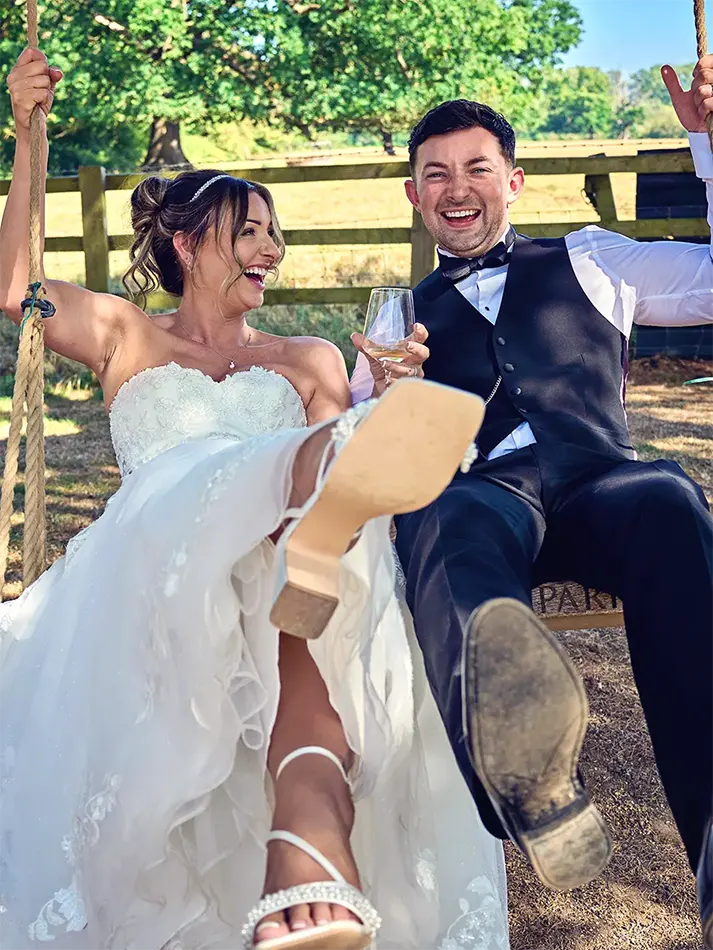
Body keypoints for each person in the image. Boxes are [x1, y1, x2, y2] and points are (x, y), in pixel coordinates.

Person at [0, 48, 511, 950]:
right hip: (161, 540)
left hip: (291, 559)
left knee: (312, 549)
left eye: (275, 234)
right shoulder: (124, 334)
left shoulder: (307, 359)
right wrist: (28, 137)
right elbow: (15, 289)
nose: (270, 250)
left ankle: (305, 837)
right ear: (189, 243)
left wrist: (385, 392)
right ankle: (347, 463)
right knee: (298, 478)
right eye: (249, 231)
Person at [352, 54, 713, 946]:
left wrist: (707, 144)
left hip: (602, 483)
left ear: (512, 180)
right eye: (436, 174)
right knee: (438, 519)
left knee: (669, 497)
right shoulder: (396, 317)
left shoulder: (594, 261)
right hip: (485, 494)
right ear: (413, 195)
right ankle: (522, 766)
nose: (457, 187)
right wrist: (381, 396)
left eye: (476, 168)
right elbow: (359, 448)